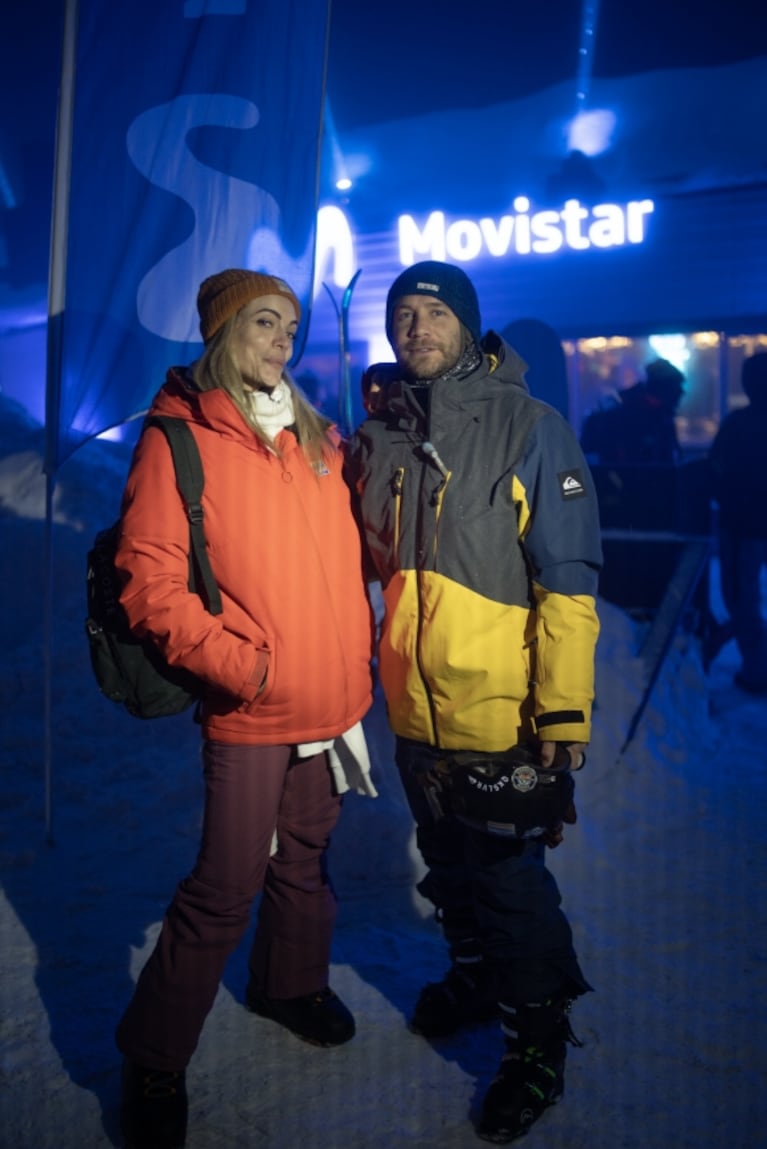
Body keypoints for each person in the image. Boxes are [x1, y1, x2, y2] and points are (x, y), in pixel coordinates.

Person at [113, 269, 375, 1149]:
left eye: (291, 327)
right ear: (224, 330)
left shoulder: (314, 437)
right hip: (254, 707)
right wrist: (246, 669)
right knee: (225, 885)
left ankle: (289, 983)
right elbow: (148, 586)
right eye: (265, 322)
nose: (282, 341)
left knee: (304, 859)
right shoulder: (179, 437)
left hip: (333, 703)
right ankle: (153, 1055)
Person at [344, 261, 602, 1143]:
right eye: (401, 314)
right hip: (413, 711)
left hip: (499, 711)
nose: (413, 327)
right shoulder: (377, 438)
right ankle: (473, 975)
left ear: (467, 323)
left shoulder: (529, 425)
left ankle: (536, 1041)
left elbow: (567, 581)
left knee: (507, 881)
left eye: (431, 312)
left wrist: (563, 713)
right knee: (446, 861)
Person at [708, 351, 767, 694]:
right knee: (744, 597)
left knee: (741, 596)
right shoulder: (738, 424)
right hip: (744, 523)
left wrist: (723, 500)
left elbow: (715, 468)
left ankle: (757, 669)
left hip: (742, 526)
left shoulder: (738, 423)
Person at [580, 357, 685, 465]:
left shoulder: (662, 416)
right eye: (676, 387)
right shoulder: (618, 417)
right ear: (663, 388)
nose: (681, 392)